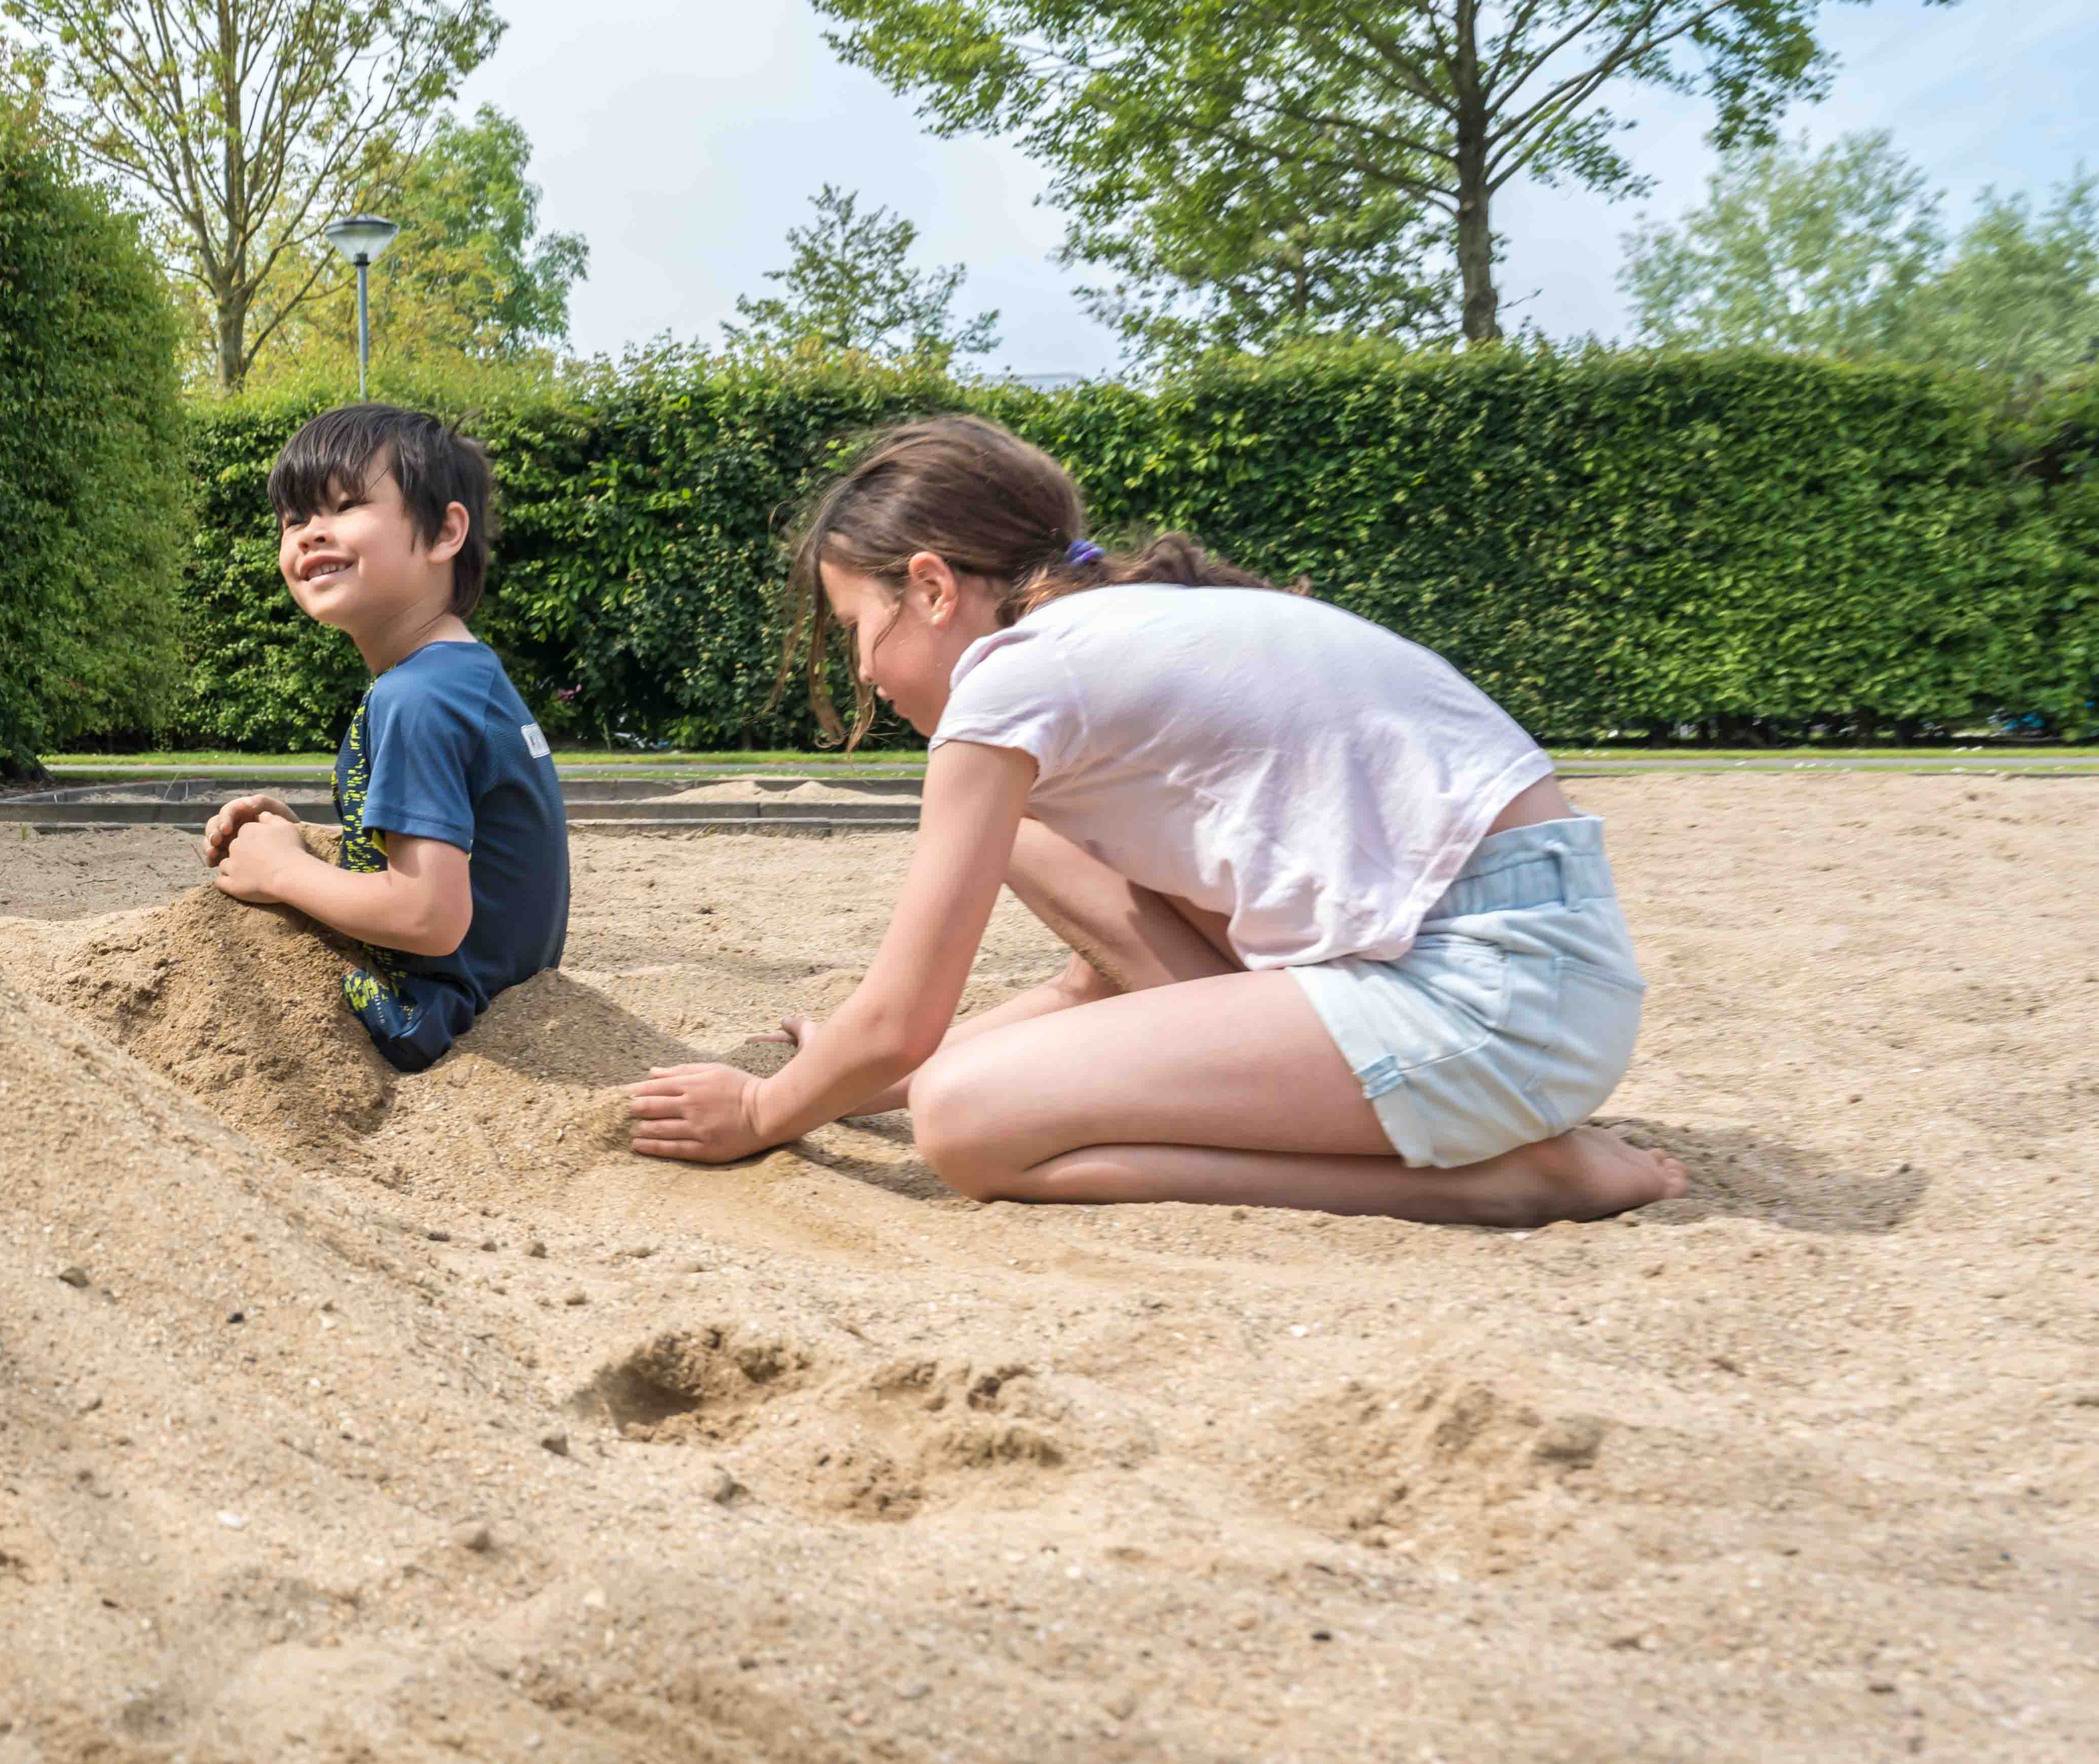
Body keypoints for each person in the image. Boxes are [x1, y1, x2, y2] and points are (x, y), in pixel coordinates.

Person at [626, 414, 1682, 1226]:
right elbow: (1099, 980)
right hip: (1542, 972)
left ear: (933, 588)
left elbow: (901, 1016)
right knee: (1011, 889)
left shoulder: (1012, 683)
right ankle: (1486, 1137)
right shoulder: (1119, 642)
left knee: (968, 1122)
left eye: (857, 623)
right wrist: (860, 1083)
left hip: (1489, 1001)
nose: (862, 670)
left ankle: (1508, 1180)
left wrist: (766, 1110)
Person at [199, 404, 570, 1071]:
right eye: (294, 519)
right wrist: (303, 837)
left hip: (429, 1015)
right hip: (505, 990)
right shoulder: (459, 676)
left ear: (444, 533)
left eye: (346, 506)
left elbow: (430, 916)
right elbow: (458, 853)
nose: (311, 533)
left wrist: (284, 870)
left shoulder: (416, 698)